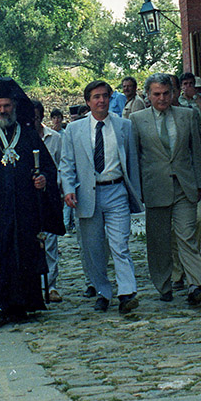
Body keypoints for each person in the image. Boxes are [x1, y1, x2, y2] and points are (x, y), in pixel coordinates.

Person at [0, 78, 62, 325]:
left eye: (6, 106)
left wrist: (43, 180)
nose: (3, 111)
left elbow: (48, 168)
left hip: (23, 212)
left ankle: (21, 305)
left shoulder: (28, 136)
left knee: (23, 255)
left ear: (14, 107)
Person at [59, 80, 142, 314]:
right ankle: (103, 291)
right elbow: (66, 164)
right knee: (93, 248)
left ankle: (127, 293)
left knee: (120, 244)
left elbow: (132, 162)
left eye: (105, 96)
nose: (101, 100)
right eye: (96, 97)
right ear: (88, 102)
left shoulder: (124, 126)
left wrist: (135, 192)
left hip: (116, 191)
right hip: (87, 193)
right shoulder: (74, 130)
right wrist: (68, 189)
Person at [130, 74, 201, 306]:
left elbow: (196, 152)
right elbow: (135, 157)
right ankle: (164, 285)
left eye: (166, 93)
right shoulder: (137, 119)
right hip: (154, 187)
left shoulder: (188, 116)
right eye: (156, 94)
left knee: (187, 235)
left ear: (173, 94)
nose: (162, 98)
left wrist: (199, 184)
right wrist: (137, 192)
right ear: (148, 95)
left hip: (184, 185)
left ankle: (197, 284)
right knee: (159, 240)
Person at [33, 100, 63, 303]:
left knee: (51, 242)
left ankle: (51, 285)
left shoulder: (56, 138)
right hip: (30, 197)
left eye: (35, 117)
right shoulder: (22, 139)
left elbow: (62, 166)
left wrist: (55, 186)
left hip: (50, 195)